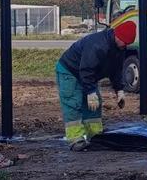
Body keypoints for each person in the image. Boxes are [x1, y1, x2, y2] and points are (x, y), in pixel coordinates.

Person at [55, 20, 137, 151]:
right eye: (124, 42)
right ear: (117, 36)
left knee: (94, 104)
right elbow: (86, 69)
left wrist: (119, 90)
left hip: (87, 74)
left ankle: (95, 135)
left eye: (127, 43)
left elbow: (116, 70)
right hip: (70, 71)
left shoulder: (119, 48)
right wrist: (90, 91)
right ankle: (75, 139)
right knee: (73, 103)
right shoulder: (98, 45)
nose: (125, 45)